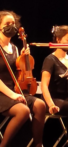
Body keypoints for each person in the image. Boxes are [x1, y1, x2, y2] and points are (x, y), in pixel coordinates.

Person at [0, 10, 45, 147]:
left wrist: (23, 58)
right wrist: (13, 95)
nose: (12, 26)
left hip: (14, 90)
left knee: (40, 105)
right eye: (7, 23)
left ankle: (38, 144)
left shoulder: (14, 48)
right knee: (23, 110)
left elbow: (19, 72)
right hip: (2, 92)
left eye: (13, 23)